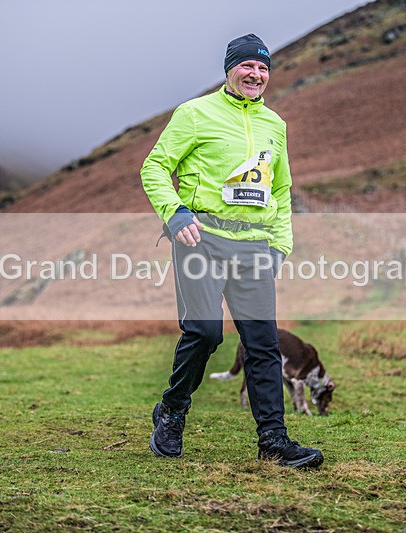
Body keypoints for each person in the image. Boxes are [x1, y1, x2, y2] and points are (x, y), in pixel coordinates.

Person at [140, 34, 323, 468]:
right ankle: (172, 410)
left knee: (262, 344)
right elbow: (155, 167)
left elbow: (281, 188)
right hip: (201, 237)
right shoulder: (195, 113)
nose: (255, 74)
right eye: (247, 67)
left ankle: (274, 442)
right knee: (205, 333)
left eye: (263, 69)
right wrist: (175, 214)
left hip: (255, 245)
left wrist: (280, 244)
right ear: (229, 70)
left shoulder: (274, 125)